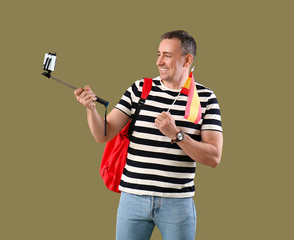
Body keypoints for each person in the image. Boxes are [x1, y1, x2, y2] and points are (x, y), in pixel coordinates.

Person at [74, 30, 223, 240]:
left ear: (187, 59)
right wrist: (90, 109)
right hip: (132, 200)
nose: (159, 61)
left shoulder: (206, 98)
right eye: (159, 54)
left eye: (167, 56)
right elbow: (103, 134)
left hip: (177, 204)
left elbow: (214, 157)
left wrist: (177, 135)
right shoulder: (140, 89)